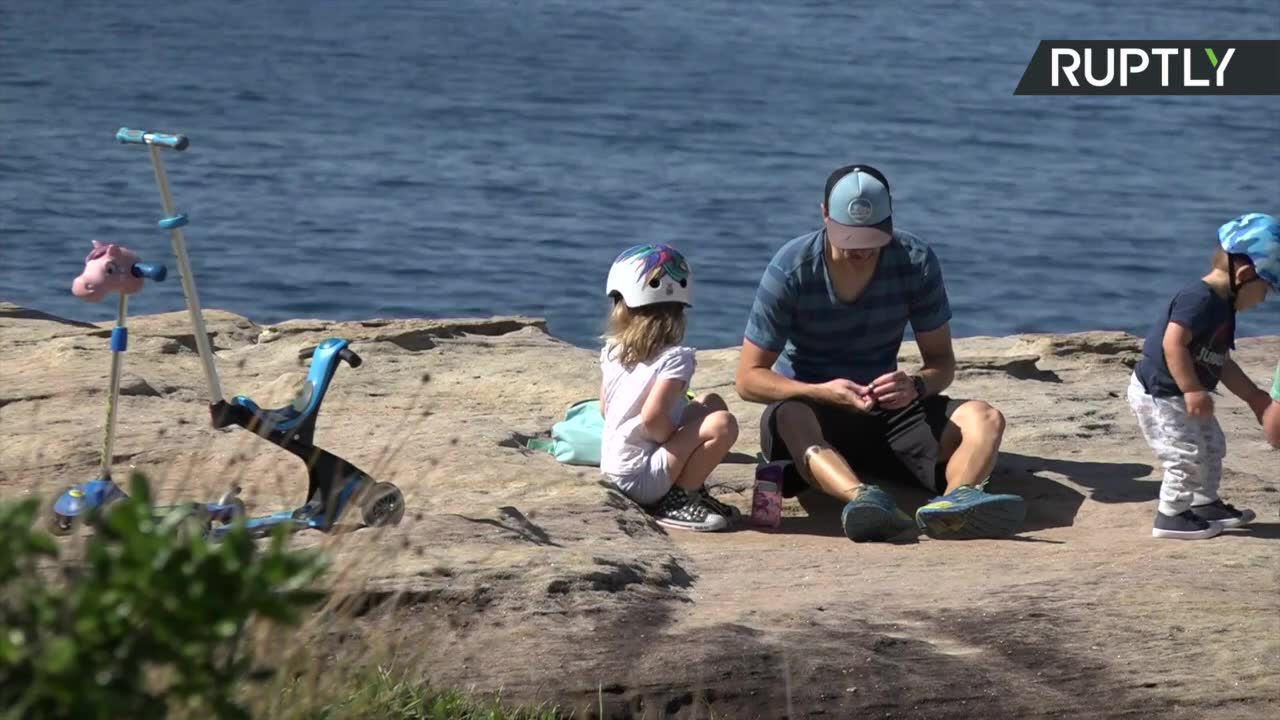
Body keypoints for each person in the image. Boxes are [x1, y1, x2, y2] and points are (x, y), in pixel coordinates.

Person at [734, 163, 1025, 542]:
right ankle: (864, 501)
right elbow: (748, 379)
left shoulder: (915, 260)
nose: (861, 251)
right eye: (849, 239)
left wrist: (915, 386)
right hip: (814, 413)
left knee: (985, 418)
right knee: (790, 415)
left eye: (872, 239)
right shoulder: (792, 268)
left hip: (888, 413)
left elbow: (942, 364)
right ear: (824, 213)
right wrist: (820, 391)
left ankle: (953, 506)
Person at [1126, 212, 1280, 540]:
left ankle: (1204, 503)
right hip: (1162, 393)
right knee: (1184, 453)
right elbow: (1173, 343)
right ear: (1245, 273)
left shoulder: (1223, 306)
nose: (1264, 299)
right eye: (1266, 289)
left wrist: (1254, 396)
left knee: (1212, 446)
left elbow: (1219, 360)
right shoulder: (1198, 299)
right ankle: (1171, 515)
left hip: (1184, 392)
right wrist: (1193, 389)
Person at [599, 243, 742, 532]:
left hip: (616, 468)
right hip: (640, 480)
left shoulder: (613, 351)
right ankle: (678, 500)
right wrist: (674, 440)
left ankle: (687, 486)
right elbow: (653, 418)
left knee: (711, 403)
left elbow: (605, 409)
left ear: (622, 306)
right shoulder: (676, 359)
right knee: (722, 424)